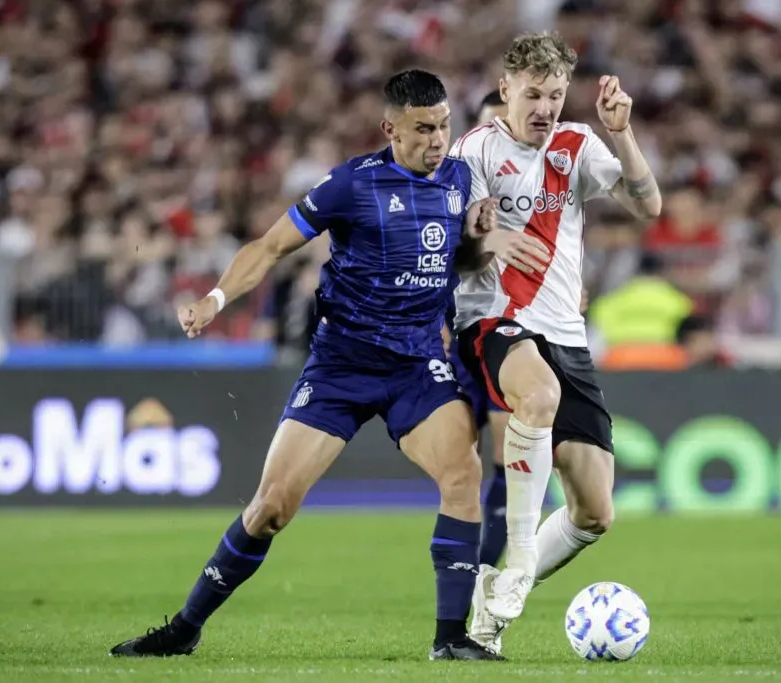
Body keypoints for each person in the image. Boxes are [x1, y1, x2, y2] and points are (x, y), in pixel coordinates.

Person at [108, 69, 547, 662]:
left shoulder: (459, 178)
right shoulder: (350, 185)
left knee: (463, 477)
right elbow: (269, 247)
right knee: (270, 509)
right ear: (391, 128)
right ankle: (185, 626)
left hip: (417, 364)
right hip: (341, 367)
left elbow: (454, 259)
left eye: (444, 126)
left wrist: (474, 241)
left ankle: (449, 639)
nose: (438, 139)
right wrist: (215, 299)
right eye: (423, 129)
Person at [449, 32, 662, 654]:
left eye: (557, 93)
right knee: (535, 397)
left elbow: (648, 205)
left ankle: (489, 608)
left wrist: (621, 132)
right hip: (494, 320)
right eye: (534, 93)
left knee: (595, 512)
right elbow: (452, 252)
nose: (545, 106)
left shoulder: (577, 145)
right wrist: (487, 243)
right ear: (507, 88)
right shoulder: (476, 152)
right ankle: (515, 555)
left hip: (565, 334)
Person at [444, 89, 513, 571]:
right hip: (457, 331)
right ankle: (461, 574)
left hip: (508, 331)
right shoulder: (452, 180)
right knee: (460, 468)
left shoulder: (534, 182)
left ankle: (485, 574)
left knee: (507, 462)